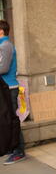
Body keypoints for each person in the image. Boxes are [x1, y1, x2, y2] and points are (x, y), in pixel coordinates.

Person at [0, 20, 26, 165]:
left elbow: (3, 68)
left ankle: (19, 151)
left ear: (1, 31)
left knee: (12, 120)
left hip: (9, 88)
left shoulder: (5, 46)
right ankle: (12, 147)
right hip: (5, 88)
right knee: (7, 119)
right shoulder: (2, 46)